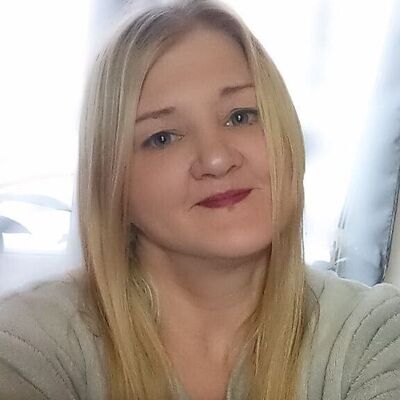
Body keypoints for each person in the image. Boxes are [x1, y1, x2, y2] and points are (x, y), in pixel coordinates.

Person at [1, 0, 400, 399]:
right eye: (163, 138)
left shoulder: (375, 333)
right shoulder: (31, 342)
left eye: (241, 116)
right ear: (112, 182)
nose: (216, 159)